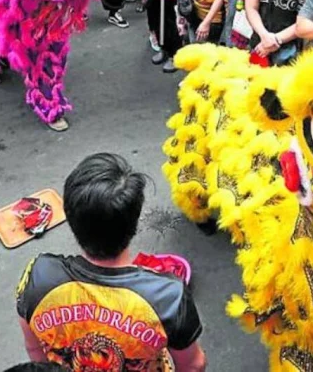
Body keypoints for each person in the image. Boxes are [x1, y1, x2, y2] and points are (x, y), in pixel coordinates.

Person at [16, 153, 206, 371]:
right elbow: (193, 365)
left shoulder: (37, 276)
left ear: (69, 216)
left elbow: (34, 350)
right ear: (134, 221)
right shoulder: (168, 296)